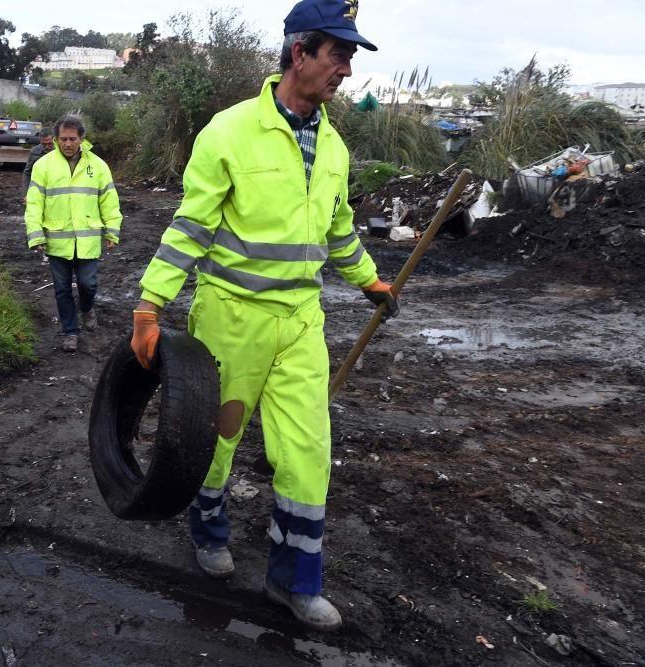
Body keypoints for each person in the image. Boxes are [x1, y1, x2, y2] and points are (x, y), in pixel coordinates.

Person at [129, 0, 399, 632]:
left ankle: (294, 580)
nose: (346, 72)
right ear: (299, 53)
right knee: (217, 439)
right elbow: (188, 228)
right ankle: (210, 530)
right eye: (339, 55)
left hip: (301, 321)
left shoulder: (332, 144)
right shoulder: (228, 132)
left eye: (351, 58)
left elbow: (339, 230)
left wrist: (369, 280)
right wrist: (150, 305)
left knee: (308, 451)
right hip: (231, 318)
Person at [25, 115, 122, 352]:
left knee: (88, 284)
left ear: (81, 138)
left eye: (72, 139)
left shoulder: (97, 166)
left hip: (88, 240)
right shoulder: (43, 166)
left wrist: (112, 231)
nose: (67, 144)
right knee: (62, 288)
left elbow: (109, 200)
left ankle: (87, 308)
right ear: (56, 140)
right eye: (63, 139)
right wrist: (35, 235)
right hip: (56, 240)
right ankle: (70, 332)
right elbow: (34, 203)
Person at [21, 127, 56, 198]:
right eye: (44, 144)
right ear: (40, 141)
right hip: (39, 191)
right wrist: (26, 193)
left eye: (50, 143)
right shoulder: (34, 152)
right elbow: (27, 173)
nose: (47, 146)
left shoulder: (61, 151)